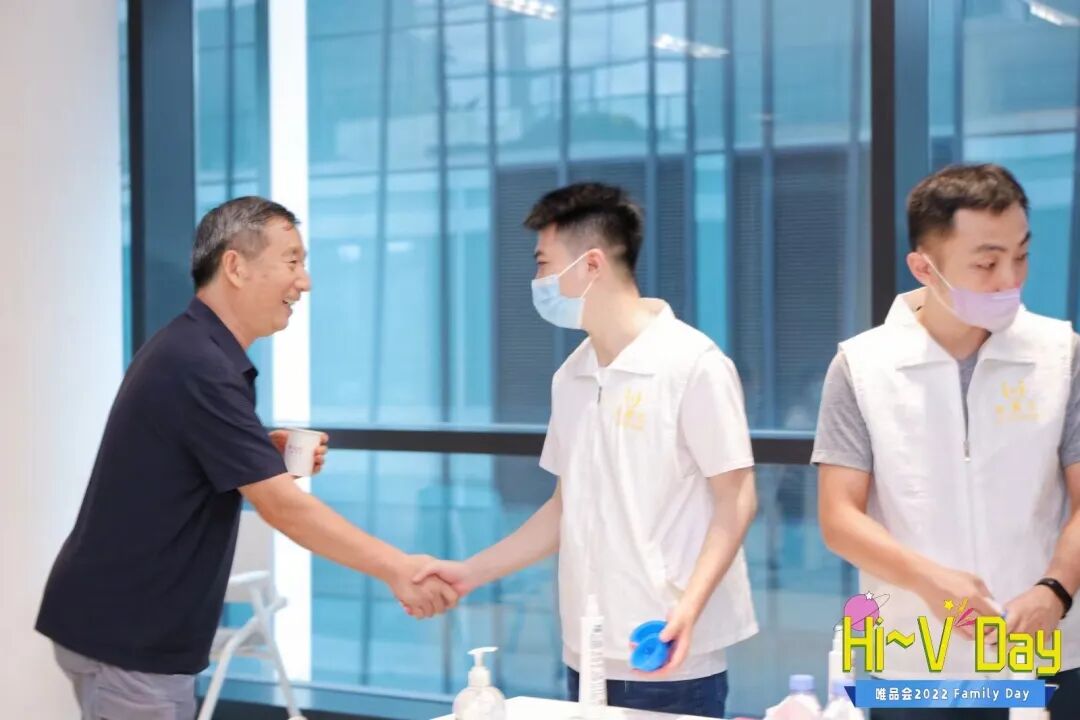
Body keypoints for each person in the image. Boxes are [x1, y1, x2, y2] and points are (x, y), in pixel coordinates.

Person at [36, 197, 457, 720]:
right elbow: (284, 507)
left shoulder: (194, 349)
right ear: (234, 266)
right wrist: (398, 567)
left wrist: (257, 451)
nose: (304, 282)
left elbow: (180, 458)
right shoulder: (199, 363)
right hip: (128, 639)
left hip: (125, 627)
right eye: (292, 261)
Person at [416, 183, 758, 718]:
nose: (538, 282)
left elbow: (736, 499)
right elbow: (564, 509)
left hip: (667, 648)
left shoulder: (693, 364)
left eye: (543, 264)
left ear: (591, 264)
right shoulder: (571, 375)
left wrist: (689, 608)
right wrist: (470, 573)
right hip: (585, 647)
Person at [814, 164, 1080, 719]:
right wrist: (930, 581)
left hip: (1045, 651)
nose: (1010, 279)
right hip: (914, 659)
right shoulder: (863, 367)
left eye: (1021, 256)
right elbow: (840, 518)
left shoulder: (1061, 355)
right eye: (986, 262)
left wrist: (1054, 589)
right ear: (923, 267)